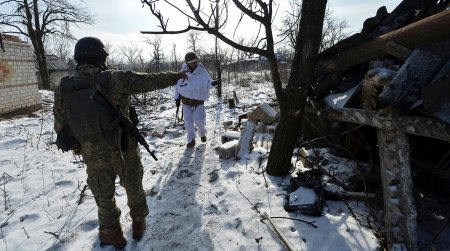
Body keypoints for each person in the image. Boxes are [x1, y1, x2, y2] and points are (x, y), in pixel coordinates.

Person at [53, 37, 186, 249]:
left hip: (93, 156)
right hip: (125, 151)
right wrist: (178, 75)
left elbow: (60, 126)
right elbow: (152, 80)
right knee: (134, 187)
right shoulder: (116, 79)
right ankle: (138, 222)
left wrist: (80, 146)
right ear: (99, 58)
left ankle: (110, 233)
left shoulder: (63, 88)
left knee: (103, 196)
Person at [174, 52, 219, 147]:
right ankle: (191, 140)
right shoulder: (182, 72)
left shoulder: (202, 71)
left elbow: (208, 82)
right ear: (187, 63)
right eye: (191, 62)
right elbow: (178, 86)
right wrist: (177, 98)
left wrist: (213, 83)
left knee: (200, 120)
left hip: (198, 102)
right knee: (188, 122)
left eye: (195, 62)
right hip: (186, 102)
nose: (194, 64)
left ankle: (202, 134)